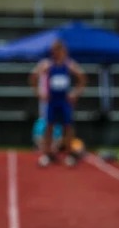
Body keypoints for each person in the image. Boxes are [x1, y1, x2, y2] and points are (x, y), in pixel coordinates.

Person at [30, 39, 86, 168]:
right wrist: (39, 93)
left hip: (64, 100)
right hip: (53, 99)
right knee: (49, 126)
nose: (57, 54)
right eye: (55, 51)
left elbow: (82, 77)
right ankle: (47, 153)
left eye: (59, 51)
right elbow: (33, 76)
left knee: (68, 127)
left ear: (63, 51)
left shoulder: (69, 64)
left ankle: (69, 154)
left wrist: (76, 93)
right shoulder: (48, 64)